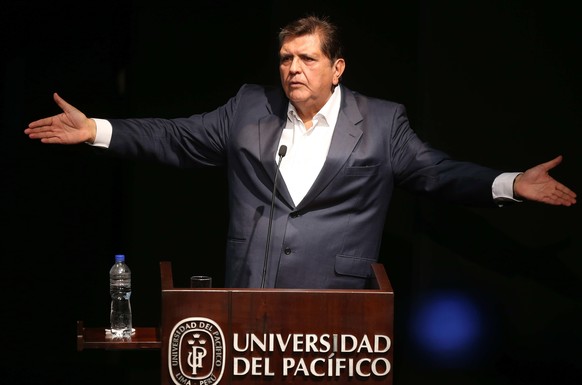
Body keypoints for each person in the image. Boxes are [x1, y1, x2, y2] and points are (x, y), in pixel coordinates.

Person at [24, 15, 576, 289]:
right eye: (286, 58)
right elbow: (175, 137)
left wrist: (508, 183)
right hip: (248, 298)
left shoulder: (382, 121)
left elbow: (435, 172)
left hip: (337, 312)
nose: (293, 69)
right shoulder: (248, 108)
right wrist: (96, 128)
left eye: (307, 59)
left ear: (337, 69)